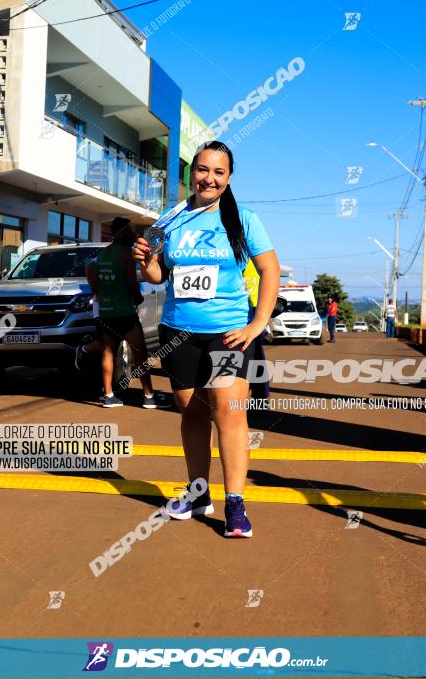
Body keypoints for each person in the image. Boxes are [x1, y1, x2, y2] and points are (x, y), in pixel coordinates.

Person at [133, 141, 280, 538]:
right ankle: (199, 494)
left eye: (218, 172)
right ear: (191, 173)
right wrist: (145, 258)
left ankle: (235, 504)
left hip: (227, 334)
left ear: (229, 178)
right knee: (192, 413)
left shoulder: (243, 220)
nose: (209, 178)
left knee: (229, 411)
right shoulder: (172, 219)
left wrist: (257, 323)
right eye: (202, 169)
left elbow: (270, 271)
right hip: (178, 332)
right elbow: (157, 277)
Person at [84, 217, 159, 409]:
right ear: (121, 232)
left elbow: (92, 275)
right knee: (140, 353)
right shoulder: (126, 252)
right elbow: (132, 283)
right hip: (125, 312)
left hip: (107, 313)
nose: (133, 234)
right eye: (129, 230)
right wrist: (138, 297)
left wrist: (101, 292)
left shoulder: (102, 254)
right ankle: (148, 396)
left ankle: (109, 395)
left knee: (108, 352)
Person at [243, 258, 270, 400]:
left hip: (249, 308)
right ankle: (261, 395)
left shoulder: (242, 256)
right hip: (252, 307)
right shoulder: (253, 258)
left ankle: (261, 396)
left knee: (255, 355)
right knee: (256, 355)